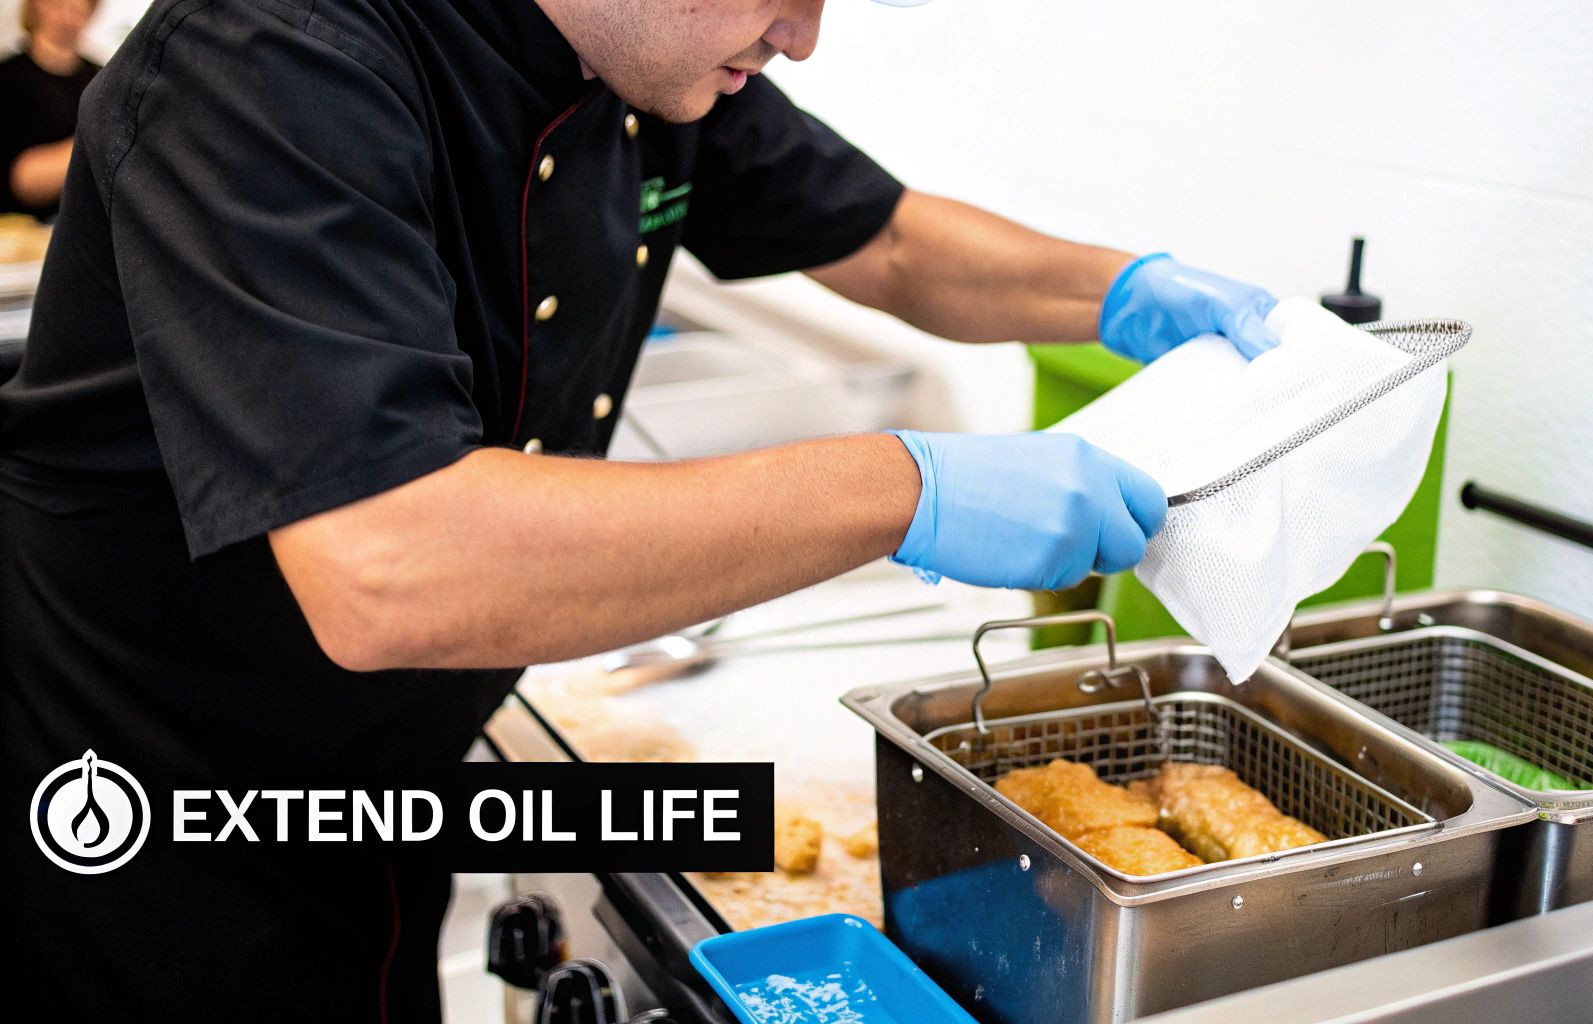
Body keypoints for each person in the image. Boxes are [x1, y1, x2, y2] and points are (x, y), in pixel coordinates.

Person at [0, 0, 1280, 1017]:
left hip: (385, 760)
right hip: (145, 794)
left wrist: (1133, 291)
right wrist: (902, 486)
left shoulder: (645, 63)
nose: (802, 33)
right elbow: (389, 563)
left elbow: (885, 241)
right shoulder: (270, 58)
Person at [0, 0, 99, 220]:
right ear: (35, 7)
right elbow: (22, 181)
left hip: (82, 223)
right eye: (57, 6)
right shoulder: (9, 78)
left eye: (77, 9)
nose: (67, 17)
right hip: (22, 227)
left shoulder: (100, 80)